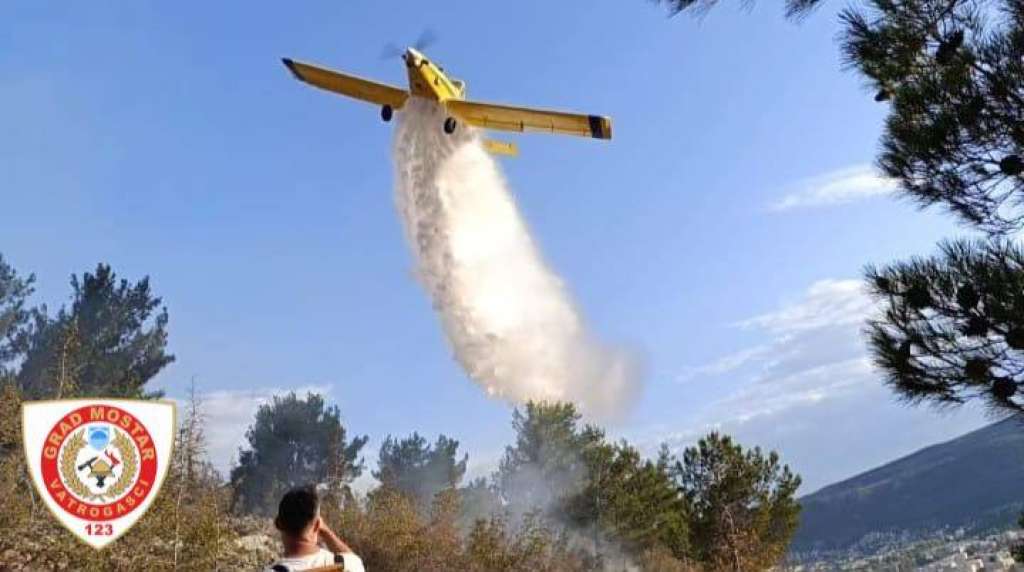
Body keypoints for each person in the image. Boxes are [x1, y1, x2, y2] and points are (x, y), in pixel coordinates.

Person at [265, 486, 365, 572]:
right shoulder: (347, 566)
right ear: (317, 525)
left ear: (278, 524)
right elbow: (352, 557)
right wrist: (325, 531)